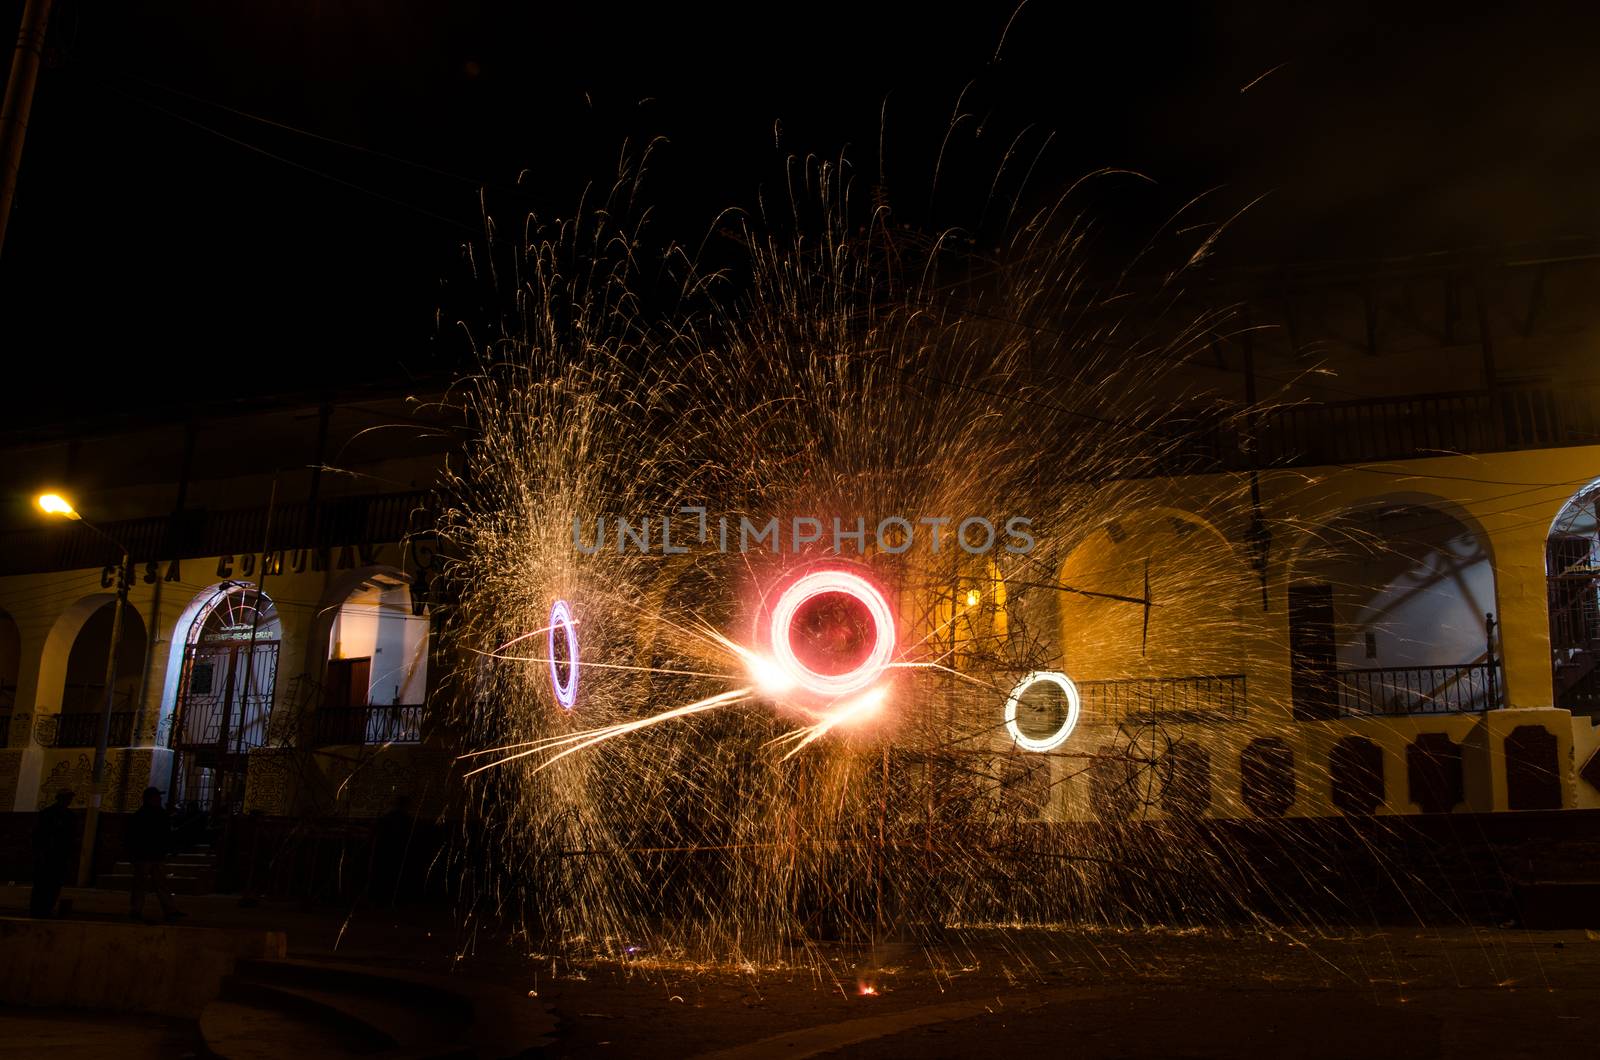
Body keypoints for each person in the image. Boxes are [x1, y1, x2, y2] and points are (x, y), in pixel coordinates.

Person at [127, 786, 183, 922]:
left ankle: (140, 909)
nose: (159, 799)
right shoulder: (153, 815)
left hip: (151, 855)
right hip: (148, 855)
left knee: (153, 884)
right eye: (157, 797)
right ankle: (165, 910)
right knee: (149, 884)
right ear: (150, 799)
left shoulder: (144, 815)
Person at [30, 790, 76, 918]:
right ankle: (39, 909)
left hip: (57, 856)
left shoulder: (67, 816)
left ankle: (44, 909)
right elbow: (38, 835)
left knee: (52, 885)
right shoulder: (50, 815)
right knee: (44, 884)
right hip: (48, 855)